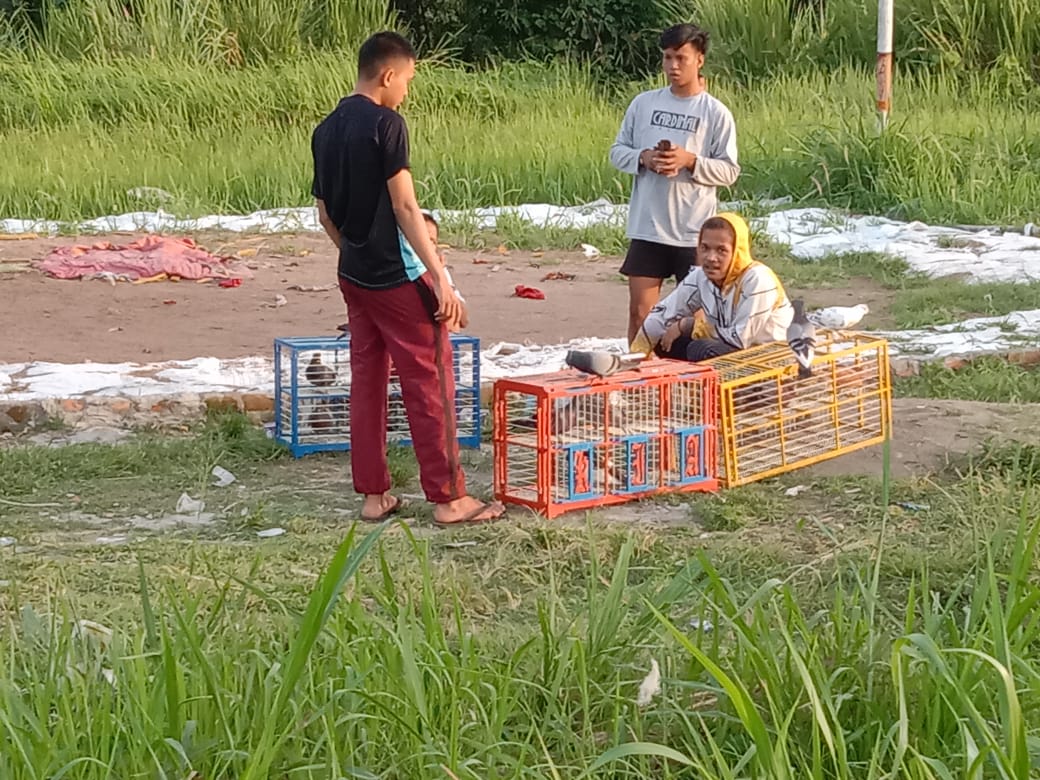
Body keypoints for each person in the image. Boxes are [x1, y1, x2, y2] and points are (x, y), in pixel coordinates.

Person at [310, 31, 505, 527]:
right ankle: (449, 498)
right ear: (388, 75)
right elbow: (405, 205)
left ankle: (373, 495)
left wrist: (353, 252)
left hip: (353, 275)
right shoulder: (386, 124)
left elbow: (324, 214)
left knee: (368, 383)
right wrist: (439, 276)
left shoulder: (325, 129)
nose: (407, 92)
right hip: (396, 277)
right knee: (429, 382)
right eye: (408, 81)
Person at [609, 23, 740, 345]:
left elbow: (729, 171)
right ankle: (638, 381)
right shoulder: (643, 104)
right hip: (647, 226)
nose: (673, 66)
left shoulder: (715, 113)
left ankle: (691, 383)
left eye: (681, 58)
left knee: (694, 319)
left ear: (700, 60)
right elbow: (616, 152)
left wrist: (690, 161)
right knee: (641, 313)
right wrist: (644, 158)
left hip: (694, 232)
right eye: (667, 58)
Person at [630, 212, 793, 361]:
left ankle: (715, 390)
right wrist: (637, 355)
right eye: (705, 248)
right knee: (662, 338)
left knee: (702, 349)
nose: (711, 258)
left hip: (769, 355)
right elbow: (662, 314)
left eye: (721, 250)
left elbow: (741, 338)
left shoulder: (757, 279)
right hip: (731, 348)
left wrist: (689, 326)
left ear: (737, 251)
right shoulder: (700, 276)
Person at [421, 210, 469, 332]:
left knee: (449, 313)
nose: (429, 245)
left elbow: (463, 319)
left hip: (440, 334)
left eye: (432, 241)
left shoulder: (439, 269)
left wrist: (441, 278)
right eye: (423, 240)